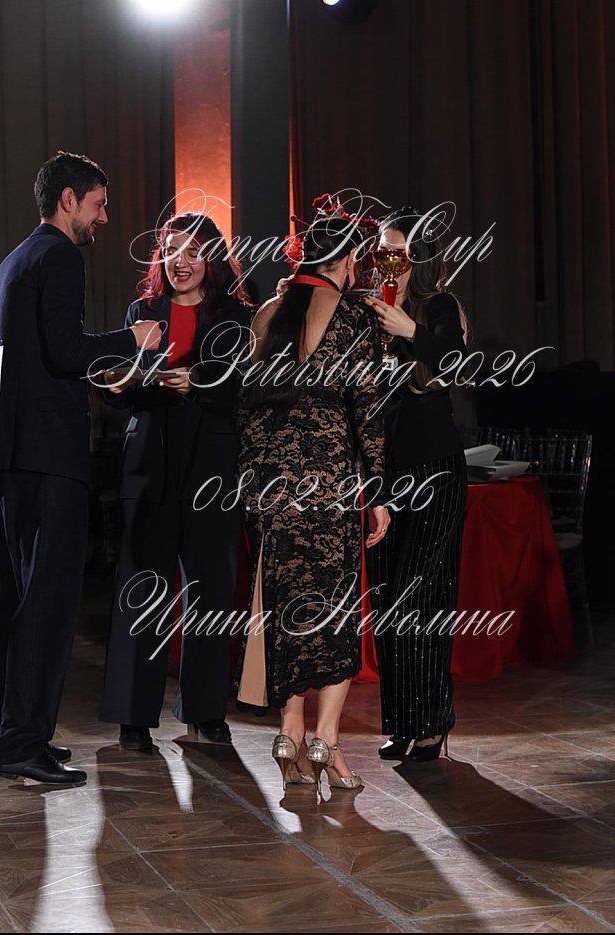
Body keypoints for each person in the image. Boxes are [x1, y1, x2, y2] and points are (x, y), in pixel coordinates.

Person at [0, 151, 161, 785]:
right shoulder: (59, 256)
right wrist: (129, 341)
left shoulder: (12, 263)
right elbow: (64, 351)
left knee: (8, 597)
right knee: (47, 601)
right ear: (68, 200)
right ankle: (22, 743)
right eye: (99, 204)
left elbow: (19, 363)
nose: (104, 218)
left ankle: (14, 729)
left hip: (3, 454)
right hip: (47, 457)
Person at [234, 216, 390, 795]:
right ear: (346, 261)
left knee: (287, 611)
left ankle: (289, 733)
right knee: (335, 613)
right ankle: (326, 740)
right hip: (327, 483)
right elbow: (368, 413)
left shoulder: (268, 314)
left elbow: (244, 412)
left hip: (271, 487)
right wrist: (378, 493)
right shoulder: (352, 317)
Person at [99, 212, 253, 751]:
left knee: (211, 588)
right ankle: (133, 716)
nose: (180, 261)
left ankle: (206, 711)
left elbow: (246, 391)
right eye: (170, 250)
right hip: (151, 460)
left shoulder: (237, 316)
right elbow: (121, 389)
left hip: (212, 463)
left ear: (211, 257)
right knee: (143, 586)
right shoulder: (141, 312)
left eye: (192, 250)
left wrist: (199, 383)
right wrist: (119, 382)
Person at [363, 205, 469, 762]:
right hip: (385, 475)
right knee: (387, 599)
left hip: (435, 469)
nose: (388, 258)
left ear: (418, 257)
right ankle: (402, 722)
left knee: (421, 595)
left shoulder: (438, 307)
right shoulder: (369, 310)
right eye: (383, 249)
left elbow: (454, 365)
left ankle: (432, 721)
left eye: (399, 250)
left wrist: (409, 329)